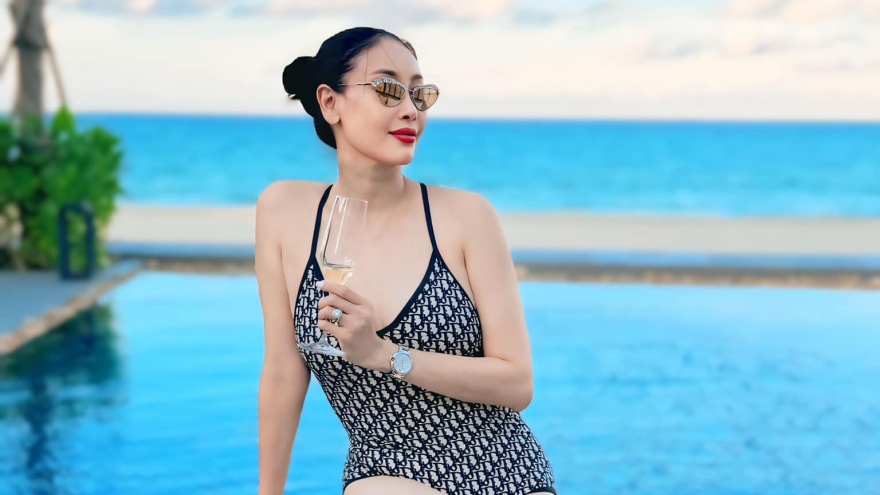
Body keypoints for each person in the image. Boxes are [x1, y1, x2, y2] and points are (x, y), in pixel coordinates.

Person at [255, 27, 557, 495]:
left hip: (502, 467)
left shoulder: (467, 217)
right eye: (388, 89)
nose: (411, 109)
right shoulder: (284, 212)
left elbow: (518, 384)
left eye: (419, 94)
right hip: (385, 466)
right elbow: (283, 371)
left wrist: (384, 355)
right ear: (330, 103)